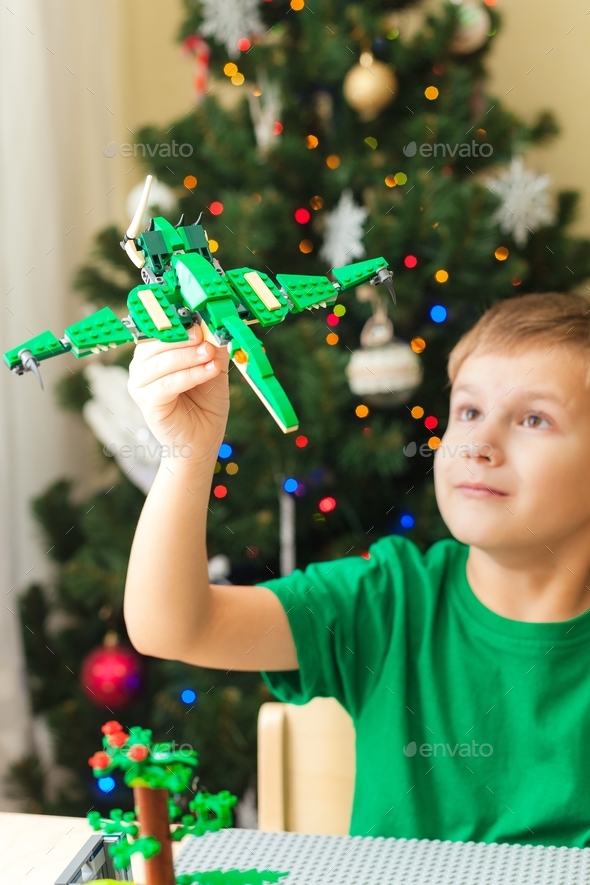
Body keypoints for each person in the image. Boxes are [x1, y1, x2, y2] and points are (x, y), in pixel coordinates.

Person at [124, 292, 590, 848]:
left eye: (534, 419)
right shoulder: (388, 599)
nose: (479, 444)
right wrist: (189, 453)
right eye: (468, 411)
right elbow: (171, 626)